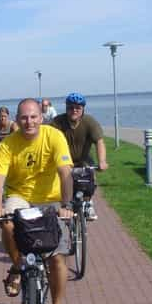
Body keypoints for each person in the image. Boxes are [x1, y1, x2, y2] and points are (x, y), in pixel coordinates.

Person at [0, 98, 74, 304]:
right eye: (24, 117)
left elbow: (65, 172)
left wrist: (66, 205)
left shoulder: (54, 137)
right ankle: (18, 266)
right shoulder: (8, 144)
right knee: (6, 222)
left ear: (41, 117)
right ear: (17, 119)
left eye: (34, 116)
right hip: (20, 197)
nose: (29, 122)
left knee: (58, 257)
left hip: (52, 199)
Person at [51, 92, 108, 221]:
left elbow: (99, 141)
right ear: (66, 108)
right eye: (70, 107)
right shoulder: (57, 122)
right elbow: (48, 140)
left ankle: (88, 203)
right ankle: (64, 206)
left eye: (78, 108)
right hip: (63, 161)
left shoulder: (89, 121)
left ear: (83, 109)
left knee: (89, 176)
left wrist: (102, 161)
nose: (74, 110)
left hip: (83, 160)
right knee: (60, 183)